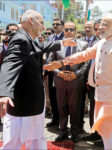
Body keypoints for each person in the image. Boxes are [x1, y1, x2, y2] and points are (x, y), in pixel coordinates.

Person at [43, 13, 112, 150]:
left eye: (104, 25)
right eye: (100, 24)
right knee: (105, 131)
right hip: (100, 94)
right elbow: (84, 55)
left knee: (105, 129)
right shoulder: (103, 42)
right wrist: (61, 62)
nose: (100, 27)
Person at [0, 10, 75, 149]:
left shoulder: (27, 38)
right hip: (25, 105)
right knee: (17, 142)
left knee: (30, 140)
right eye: (41, 22)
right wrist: (4, 93)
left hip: (30, 103)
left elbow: (39, 47)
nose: (43, 26)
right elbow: (9, 64)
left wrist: (61, 43)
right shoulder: (21, 40)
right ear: (31, 21)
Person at [48, 22, 89, 143]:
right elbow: (50, 62)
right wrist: (59, 73)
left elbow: (86, 63)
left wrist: (76, 74)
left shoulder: (84, 44)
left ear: (76, 30)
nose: (69, 31)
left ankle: (75, 133)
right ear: (64, 31)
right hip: (60, 81)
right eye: (67, 29)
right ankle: (63, 132)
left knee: (75, 109)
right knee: (62, 108)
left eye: (72, 29)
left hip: (75, 82)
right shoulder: (57, 45)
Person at [80, 21, 101, 141]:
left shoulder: (109, 43)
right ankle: (94, 133)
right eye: (97, 29)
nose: (99, 31)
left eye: (100, 29)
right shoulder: (98, 44)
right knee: (92, 108)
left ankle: (101, 135)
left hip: (103, 84)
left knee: (101, 111)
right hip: (90, 81)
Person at [46, 18, 65, 128]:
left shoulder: (65, 38)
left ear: (62, 26)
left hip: (60, 71)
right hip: (50, 71)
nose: (55, 26)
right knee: (52, 96)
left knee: (61, 98)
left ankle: (62, 123)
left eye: (57, 24)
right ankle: (55, 119)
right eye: (53, 24)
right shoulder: (49, 38)